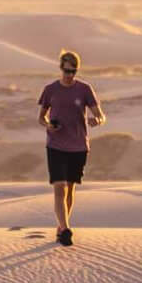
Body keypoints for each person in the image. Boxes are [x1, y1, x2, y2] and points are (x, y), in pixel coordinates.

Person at [37, 49, 103, 246]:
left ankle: (61, 226)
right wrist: (49, 125)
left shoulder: (84, 89)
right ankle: (65, 229)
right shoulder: (50, 89)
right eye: (67, 71)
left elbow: (100, 114)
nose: (70, 75)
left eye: (73, 71)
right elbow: (41, 118)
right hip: (56, 145)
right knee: (60, 187)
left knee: (70, 189)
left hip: (78, 145)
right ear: (60, 68)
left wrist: (97, 120)